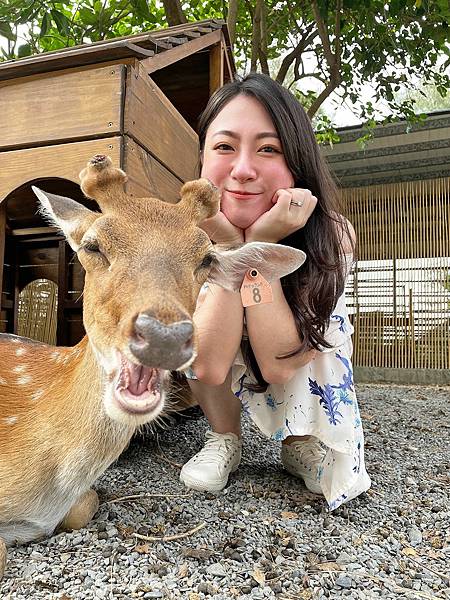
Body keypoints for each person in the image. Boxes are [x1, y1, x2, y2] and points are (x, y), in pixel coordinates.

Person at [180, 72, 371, 511]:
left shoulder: (332, 233)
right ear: (203, 160)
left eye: (268, 149)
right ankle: (223, 435)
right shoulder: (186, 232)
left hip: (286, 349)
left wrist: (258, 250)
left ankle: (300, 438)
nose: (243, 170)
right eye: (224, 147)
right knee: (195, 315)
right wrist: (229, 247)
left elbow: (279, 363)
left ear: (295, 165)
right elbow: (207, 365)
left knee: (329, 321)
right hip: (218, 354)